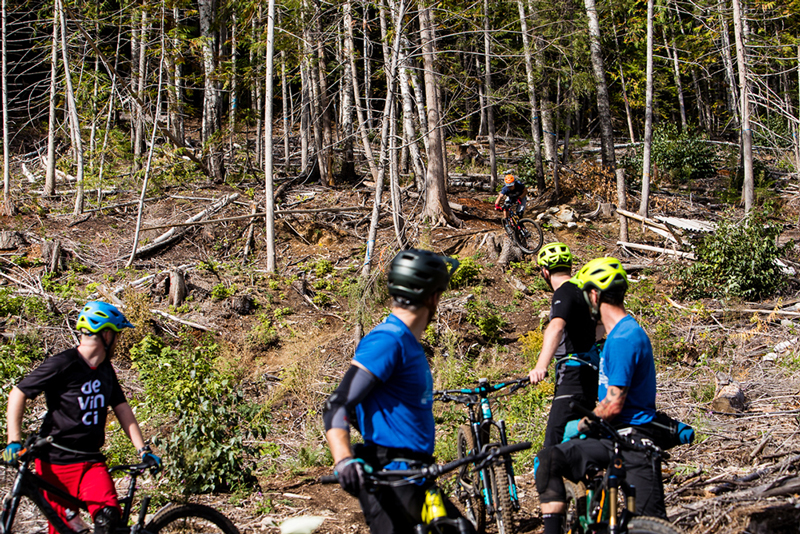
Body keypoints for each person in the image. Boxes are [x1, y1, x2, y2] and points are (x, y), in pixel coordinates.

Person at [322, 249, 474, 534]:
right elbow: (337, 404)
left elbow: (360, 407)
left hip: (416, 476)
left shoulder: (407, 343)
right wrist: (344, 460)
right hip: (390, 480)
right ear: (432, 297)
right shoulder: (387, 340)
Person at [3, 301, 160, 534]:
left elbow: (122, 409)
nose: (118, 341)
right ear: (106, 335)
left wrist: (143, 449)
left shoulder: (106, 370)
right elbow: (19, 393)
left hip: (90, 463)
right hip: (53, 464)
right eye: (117, 335)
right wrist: (14, 440)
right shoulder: (64, 363)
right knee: (65, 529)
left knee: (108, 519)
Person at [534, 258, 666, 534]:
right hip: (631, 439)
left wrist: (580, 425)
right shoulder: (625, 331)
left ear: (593, 295)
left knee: (548, 460)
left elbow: (613, 404)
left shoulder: (621, 339)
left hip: (626, 441)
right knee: (650, 523)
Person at [528, 242, 601, 447]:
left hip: (572, 374)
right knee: (578, 436)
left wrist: (541, 366)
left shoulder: (564, 292)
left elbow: (556, 327)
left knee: (553, 441)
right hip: (590, 374)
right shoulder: (584, 291)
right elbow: (601, 327)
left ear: (545, 271)